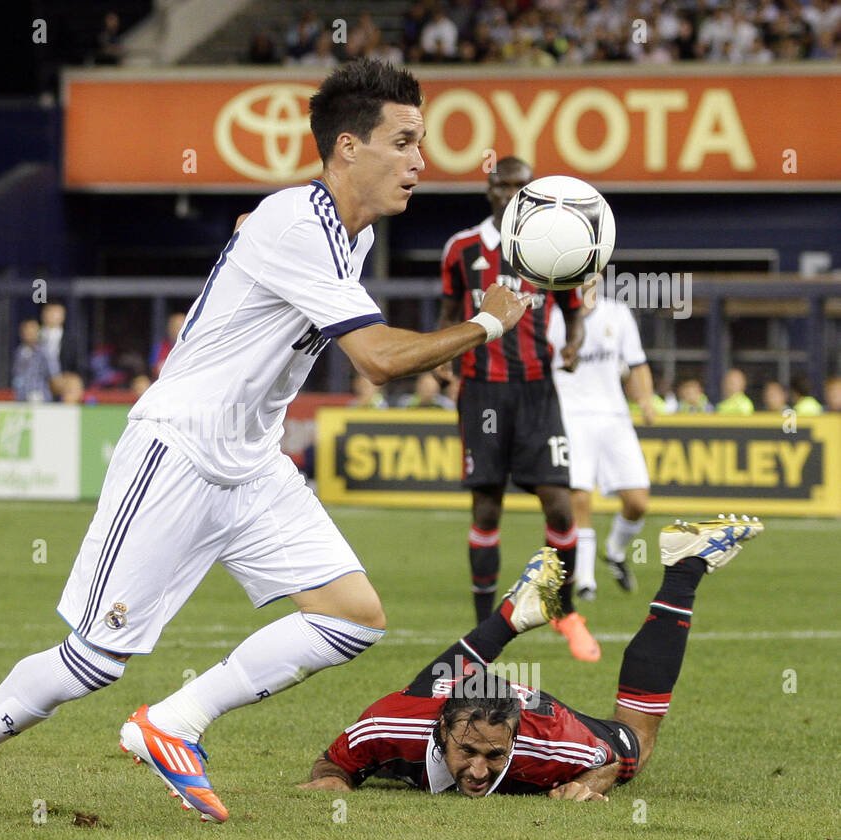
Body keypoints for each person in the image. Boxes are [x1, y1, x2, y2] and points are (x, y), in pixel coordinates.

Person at [0, 60, 535, 828]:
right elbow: (374, 357)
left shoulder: (348, 236)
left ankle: (173, 722)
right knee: (92, 661)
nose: (421, 160)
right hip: (178, 451)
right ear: (347, 148)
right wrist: (490, 320)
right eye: (403, 141)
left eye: (423, 141)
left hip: (251, 464)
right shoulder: (297, 223)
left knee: (353, 615)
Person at [302, 515, 763, 799]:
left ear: (515, 741)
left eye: (494, 754)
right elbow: (331, 762)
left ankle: (684, 568)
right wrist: (334, 780)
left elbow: (613, 759)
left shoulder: (552, 744)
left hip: (538, 712)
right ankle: (509, 615)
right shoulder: (386, 726)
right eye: (467, 751)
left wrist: (591, 782)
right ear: (441, 730)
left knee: (638, 743)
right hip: (439, 699)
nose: (478, 772)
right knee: (428, 685)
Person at [437, 155, 593, 661]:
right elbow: (448, 311)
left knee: (560, 503)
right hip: (482, 390)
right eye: (503, 185)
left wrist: (573, 344)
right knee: (486, 506)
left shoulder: (555, 247)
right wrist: (444, 359)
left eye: (522, 186)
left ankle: (565, 612)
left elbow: (573, 314)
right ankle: (484, 630)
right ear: (490, 189)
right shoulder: (461, 248)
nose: (511, 193)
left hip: (536, 390)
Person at [547, 293, 654, 600]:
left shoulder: (617, 313)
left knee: (638, 501)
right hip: (571, 413)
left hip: (614, 416)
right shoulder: (553, 315)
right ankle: (585, 580)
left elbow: (637, 363)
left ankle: (615, 550)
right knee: (580, 497)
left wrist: (645, 400)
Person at [11, 317, 52, 402]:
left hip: (40, 397)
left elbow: (52, 376)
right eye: (26, 330)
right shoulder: (19, 352)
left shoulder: (45, 352)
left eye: (32, 330)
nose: (29, 333)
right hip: (21, 397)